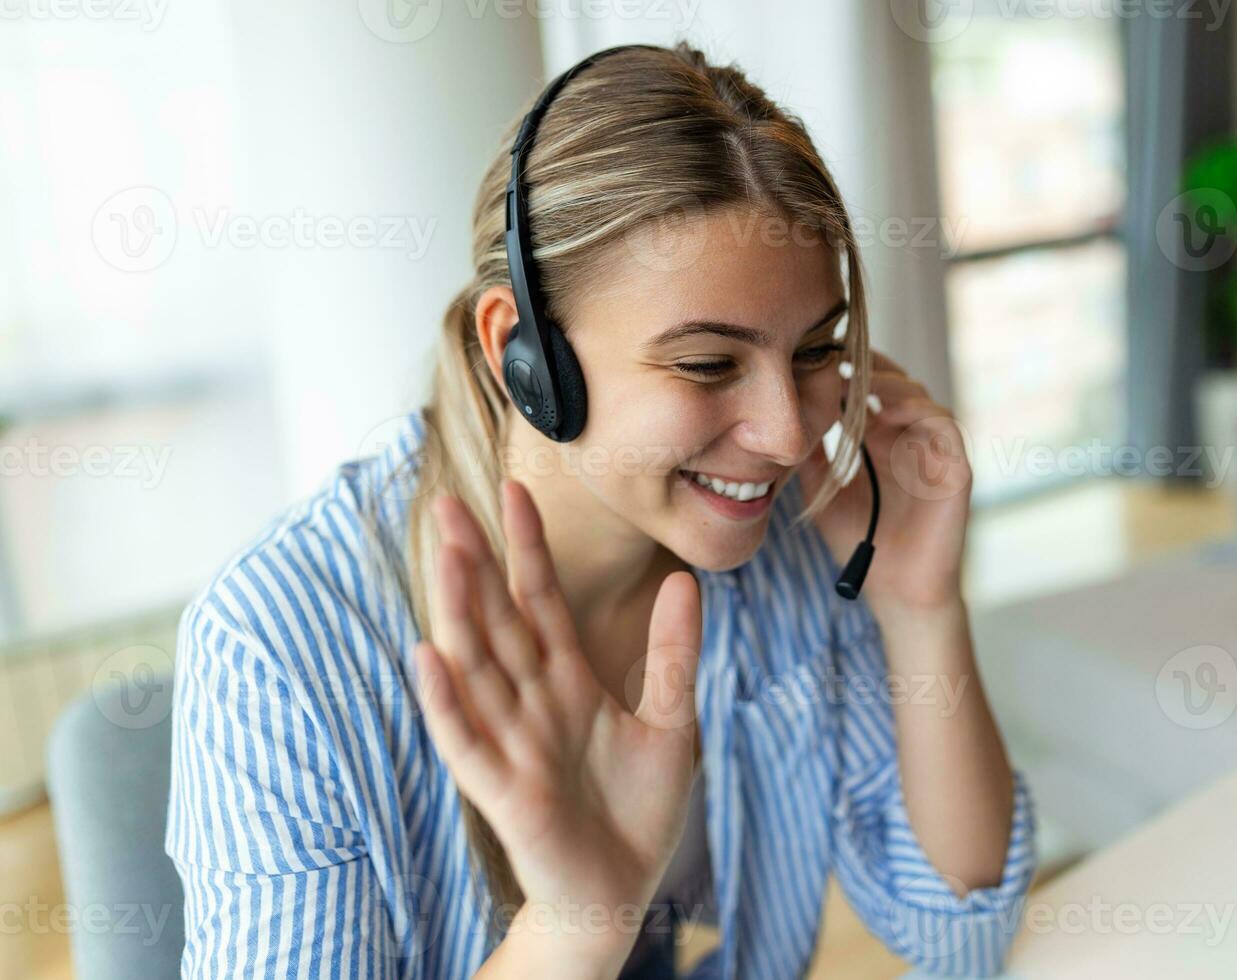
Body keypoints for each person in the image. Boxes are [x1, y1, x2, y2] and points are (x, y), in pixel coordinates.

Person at [164, 40, 1037, 979]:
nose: (789, 436)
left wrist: (919, 605)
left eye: (816, 350)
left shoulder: (788, 544)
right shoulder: (279, 643)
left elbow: (960, 929)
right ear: (524, 353)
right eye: (708, 364)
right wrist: (577, 924)